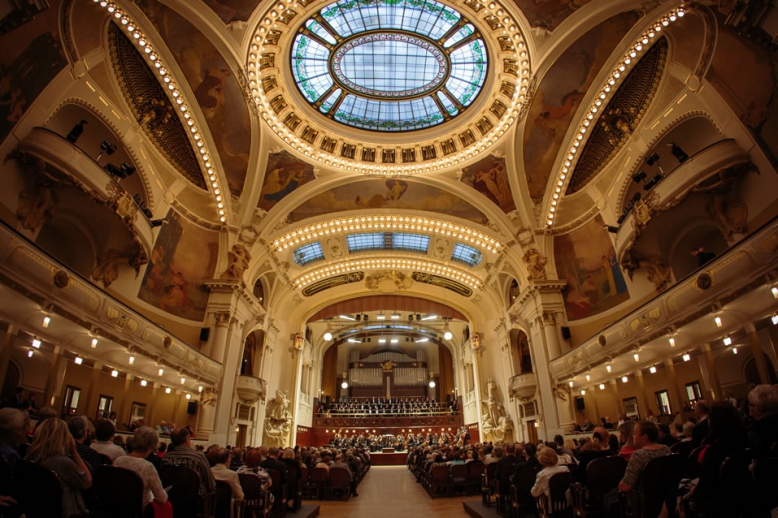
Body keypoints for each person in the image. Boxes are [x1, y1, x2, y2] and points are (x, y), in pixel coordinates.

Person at [26, 418, 92, 518]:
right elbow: (87, 482)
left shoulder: (30, 457)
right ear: (63, 437)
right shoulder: (61, 462)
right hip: (70, 513)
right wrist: (74, 452)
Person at [618, 421, 670, 510]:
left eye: (635, 433)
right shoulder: (666, 449)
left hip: (645, 500)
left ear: (644, 438)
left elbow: (626, 487)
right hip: (667, 495)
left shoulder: (638, 455)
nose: (633, 436)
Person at [113, 427, 169, 507]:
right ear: (152, 446)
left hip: (117, 505)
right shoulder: (147, 467)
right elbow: (162, 498)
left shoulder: (118, 460)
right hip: (139, 509)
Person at [161, 427, 215, 496]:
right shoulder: (198, 457)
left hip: (171, 497)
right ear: (187, 440)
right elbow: (211, 484)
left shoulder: (165, 458)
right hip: (195, 500)